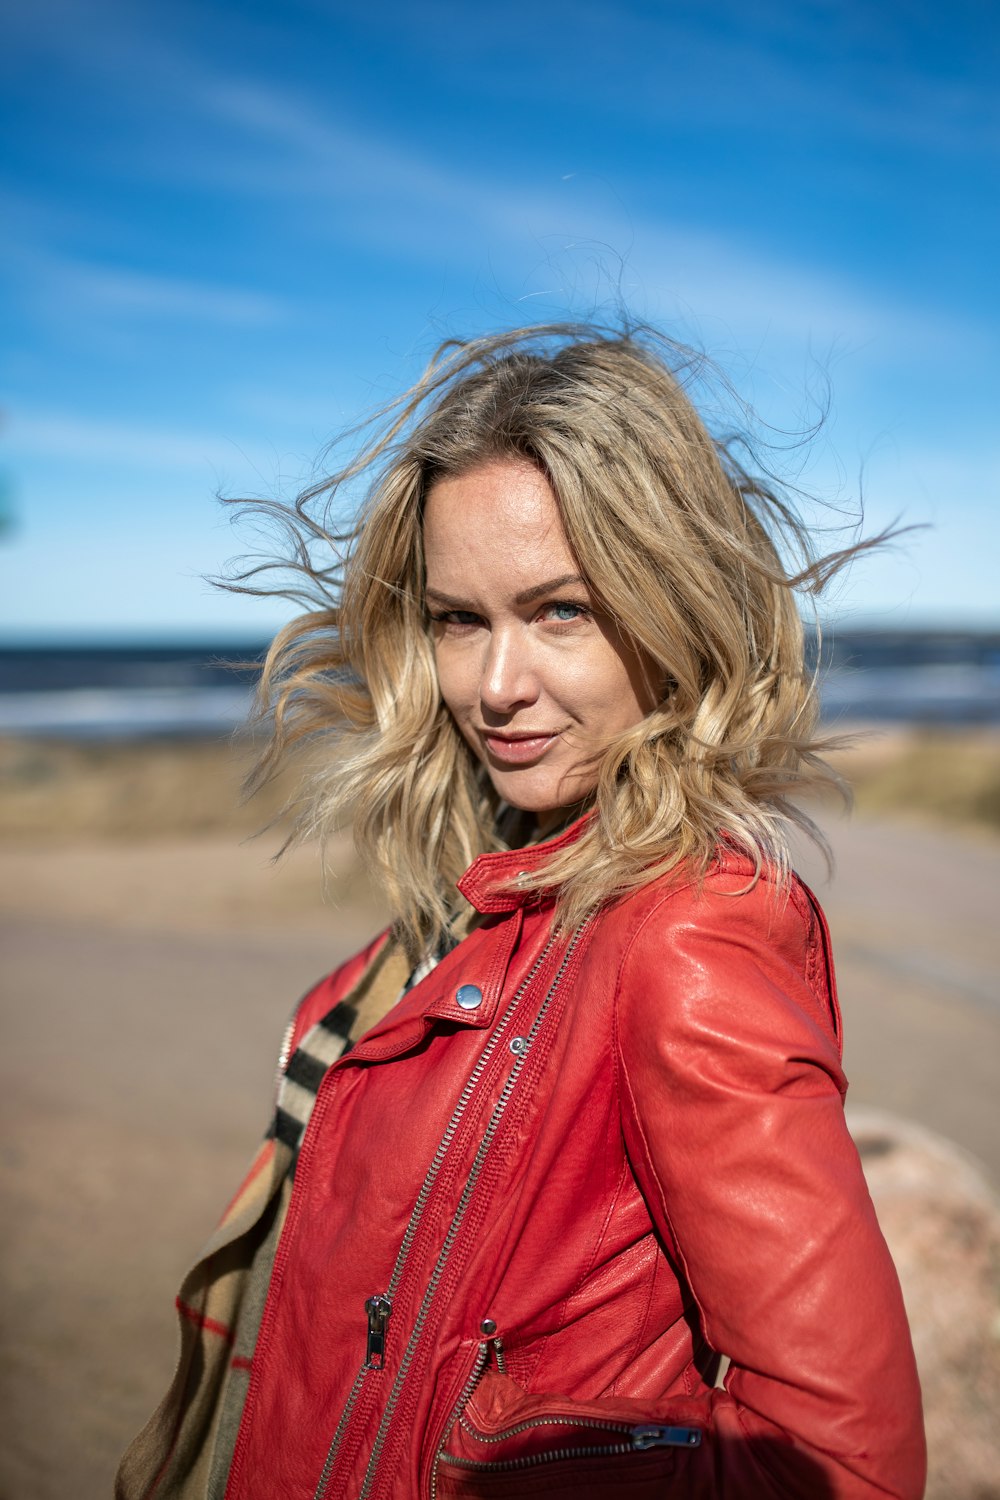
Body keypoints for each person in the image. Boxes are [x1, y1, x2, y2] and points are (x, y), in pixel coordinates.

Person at [117, 324, 925, 1500]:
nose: (494, 688)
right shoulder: (482, 906)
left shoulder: (690, 932)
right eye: (459, 620)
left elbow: (842, 1457)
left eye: (560, 612)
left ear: (671, 607)